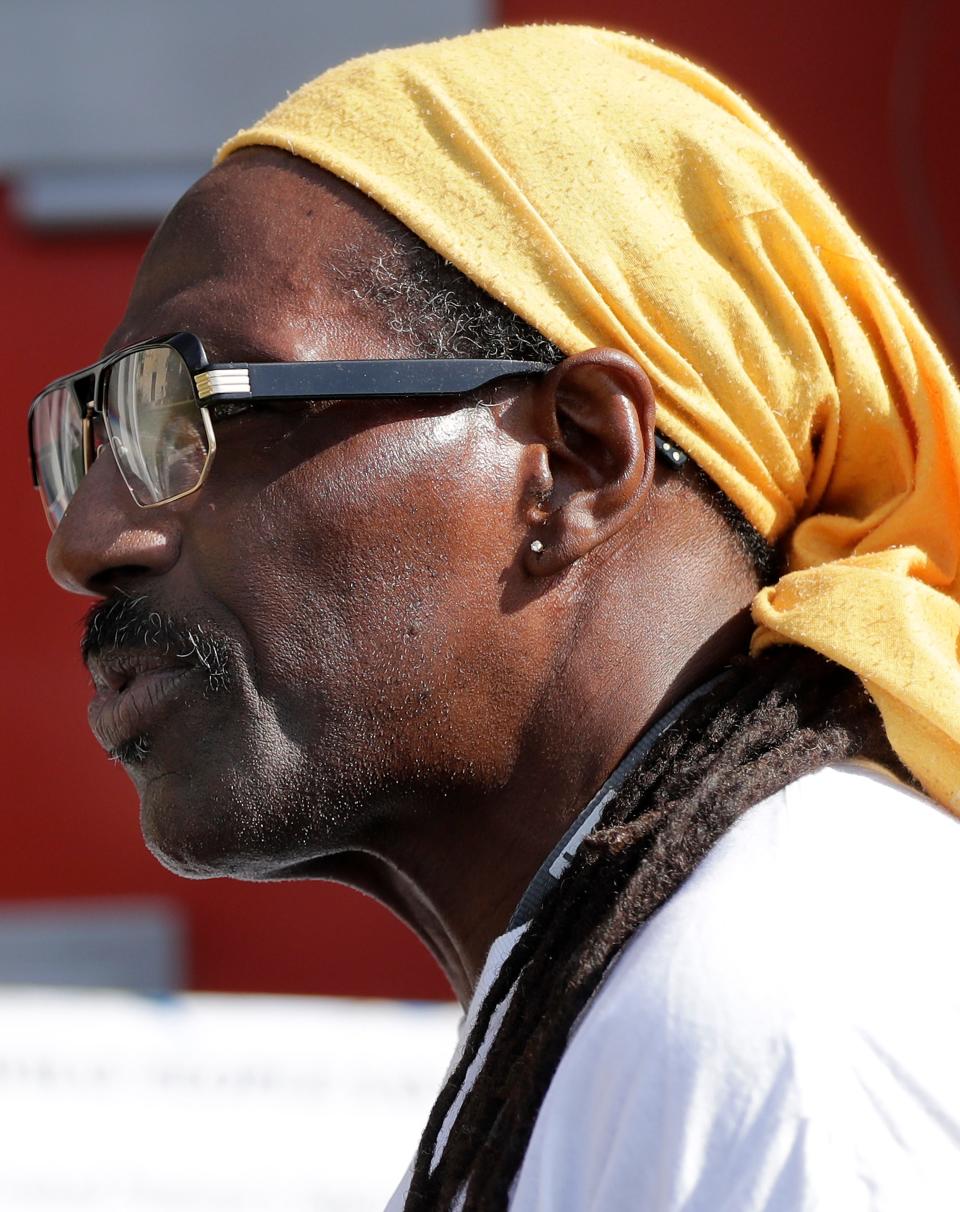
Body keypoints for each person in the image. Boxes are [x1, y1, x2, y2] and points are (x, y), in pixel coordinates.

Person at [28, 24, 960, 1212]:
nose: (88, 543)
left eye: (188, 413)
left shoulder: (788, 1019)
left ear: (578, 456)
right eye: (87, 443)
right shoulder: (626, 997)